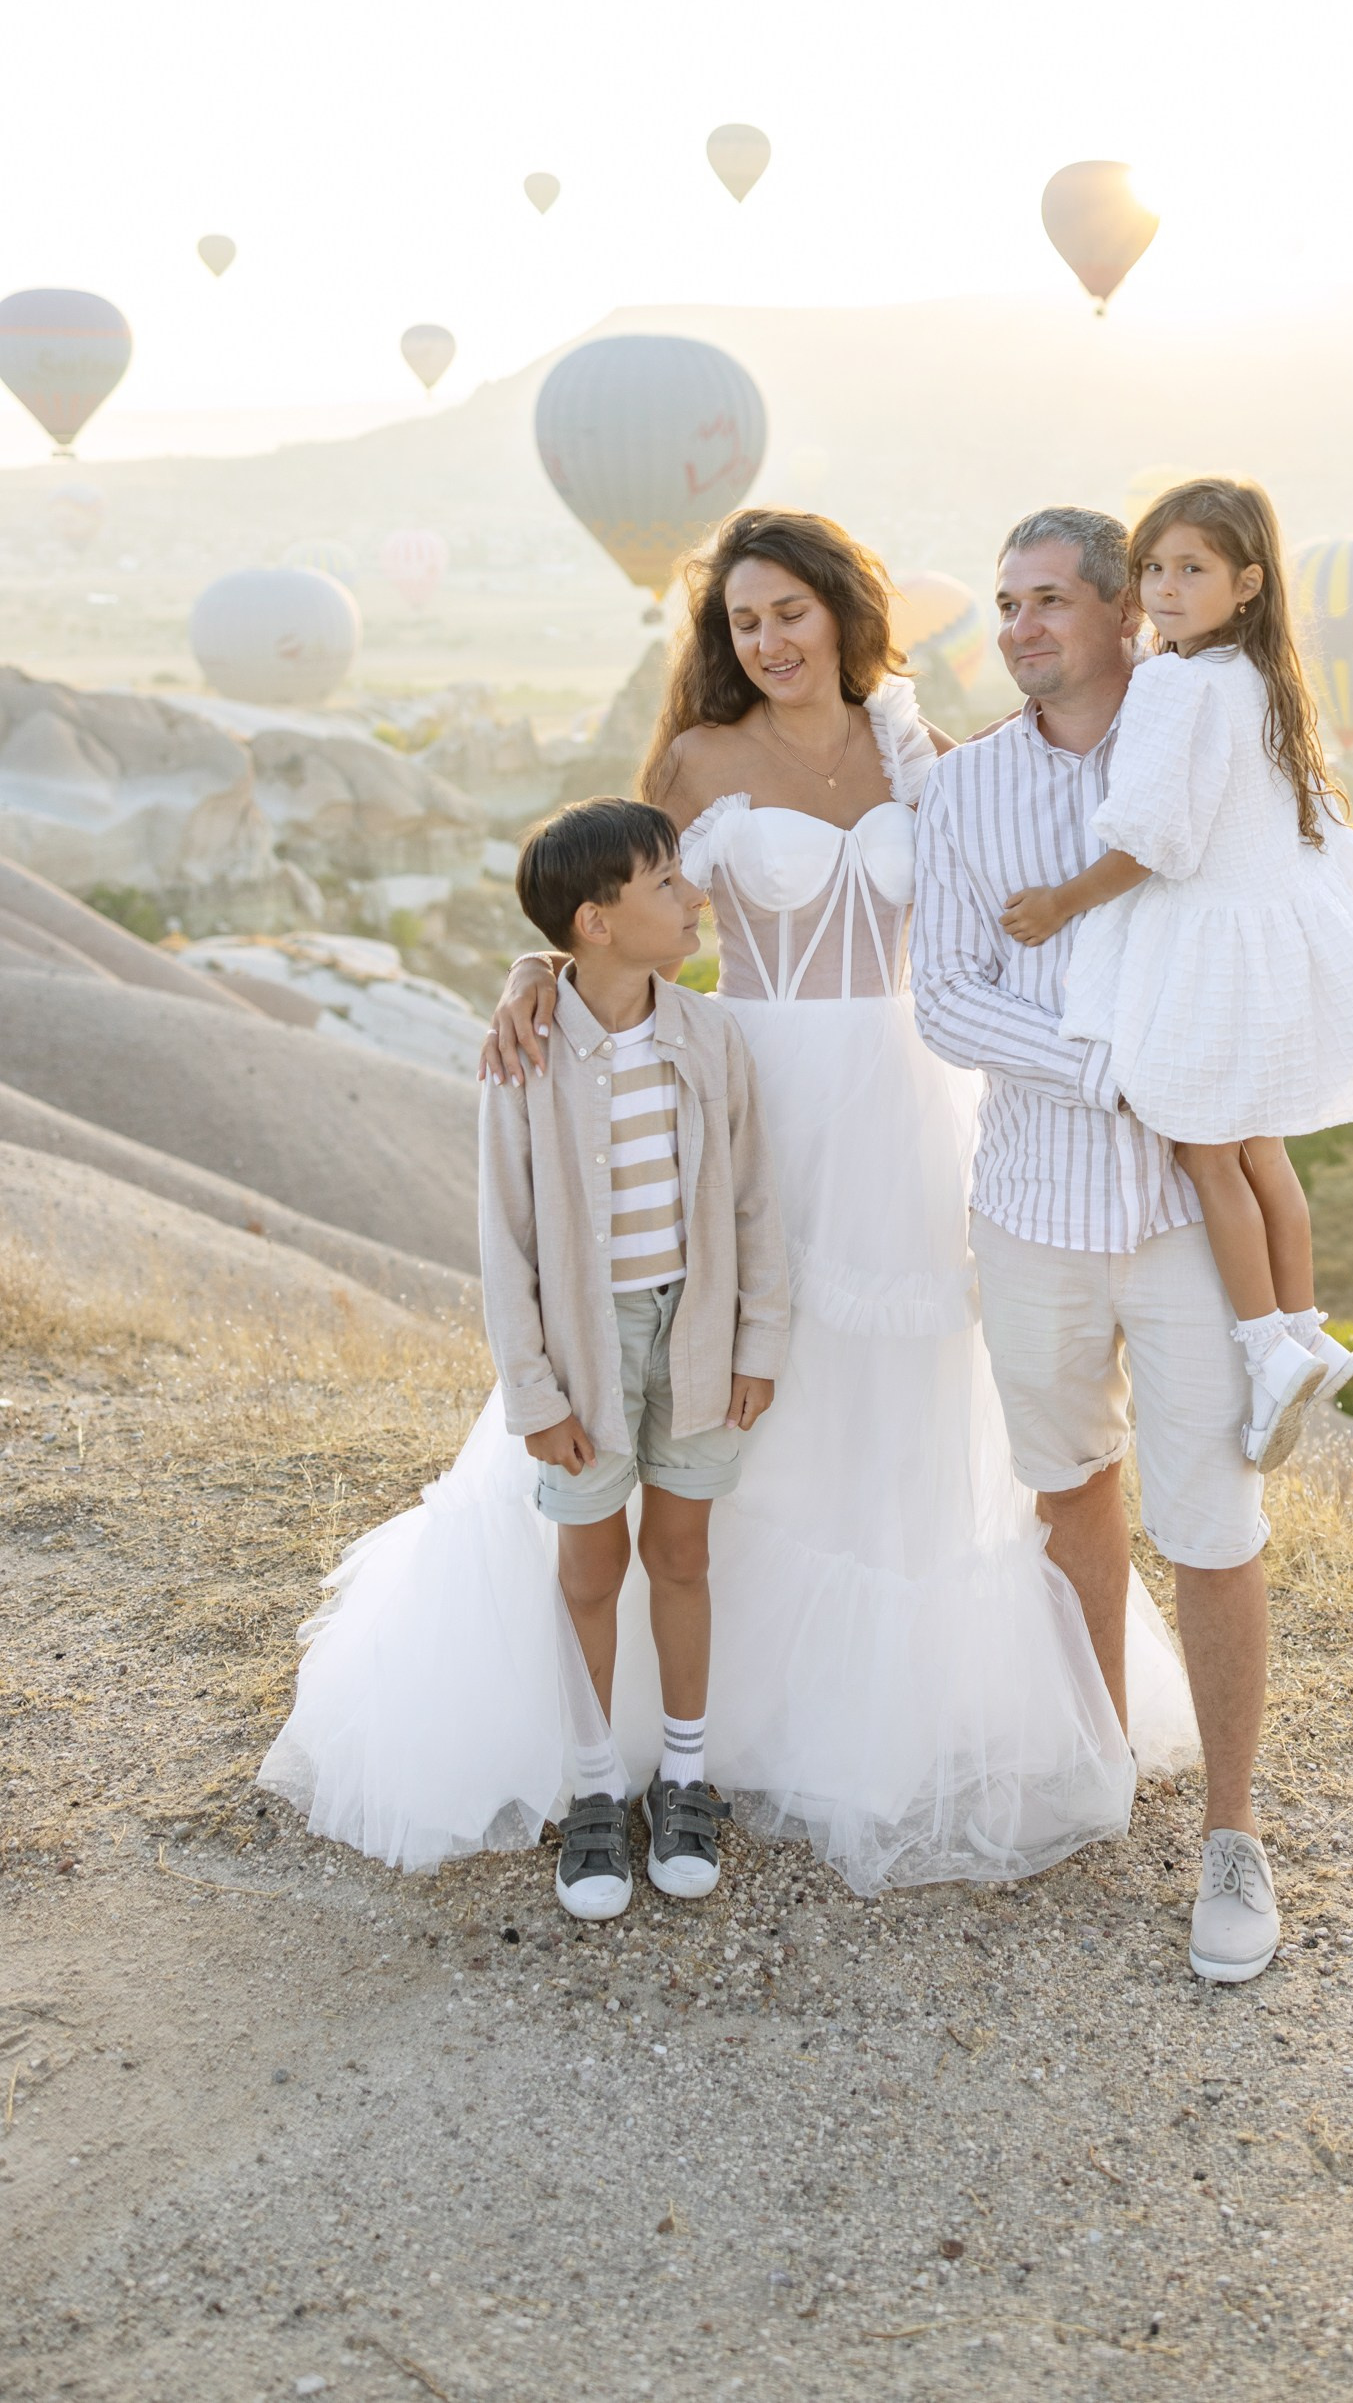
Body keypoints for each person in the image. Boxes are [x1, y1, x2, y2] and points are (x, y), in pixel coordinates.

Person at [479, 508, 1197, 1895]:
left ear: (840, 612)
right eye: (743, 622)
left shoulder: (917, 743)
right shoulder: (696, 755)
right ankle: (684, 1731)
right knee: (727, 1368)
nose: (769, 641)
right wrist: (528, 977)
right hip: (744, 1091)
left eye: (790, 613)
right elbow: (611, 893)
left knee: (901, 1386)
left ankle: (857, 1712)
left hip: (912, 1093)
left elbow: (1017, 872)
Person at [911, 502, 1353, 1985]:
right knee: (1069, 1496)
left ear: (1135, 612)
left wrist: (1221, 1056)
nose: (1017, 629)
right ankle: (1093, 1766)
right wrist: (1120, 1062)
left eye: (1051, 599)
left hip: (1195, 1220)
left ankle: (1235, 1835)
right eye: (1005, 603)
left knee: (1214, 1528)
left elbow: (1299, 924)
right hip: (1036, 1207)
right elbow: (946, 1001)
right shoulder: (964, 792)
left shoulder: (1217, 740)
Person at [260, 797, 791, 1922]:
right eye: (665, 885)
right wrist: (535, 1391)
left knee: (684, 1554)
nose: (694, 898)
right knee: (591, 1569)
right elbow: (503, 1241)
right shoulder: (527, 1052)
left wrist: (758, 1341)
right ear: (594, 924)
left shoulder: (712, 1038)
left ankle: (683, 1779)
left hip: (694, 1337)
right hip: (585, 1355)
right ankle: (598, 1785)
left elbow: (753, 1204)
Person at [999, 478, 1353, 1473]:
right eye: (1151, 568)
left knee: (1203, 1153)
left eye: (1188, 570)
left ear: (1244, 584)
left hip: (1203, 949)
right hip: (1270, 942)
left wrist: (1060, 903)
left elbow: (1153, 837)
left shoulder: (1172, 683)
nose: (1162, 587)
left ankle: (1262, 1345)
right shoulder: (1259, 675)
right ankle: (1302, 1324)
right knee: (1258, 1149)